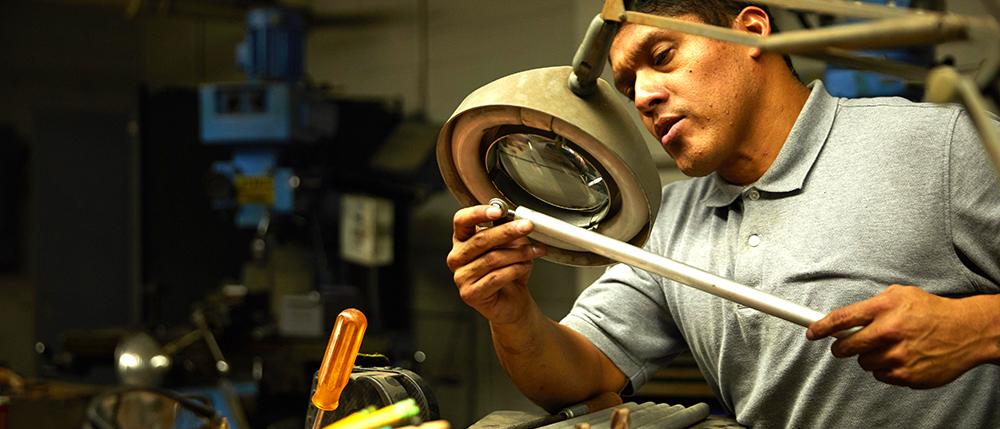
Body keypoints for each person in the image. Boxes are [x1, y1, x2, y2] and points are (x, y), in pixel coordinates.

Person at [446, 1, 1000, 427]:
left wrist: (976, 330)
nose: (643, 96)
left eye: (662, 58)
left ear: (751, 33)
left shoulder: (942, 145)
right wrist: (511, 312)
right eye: (627, 84)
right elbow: (574, 375)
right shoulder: (670, 221)